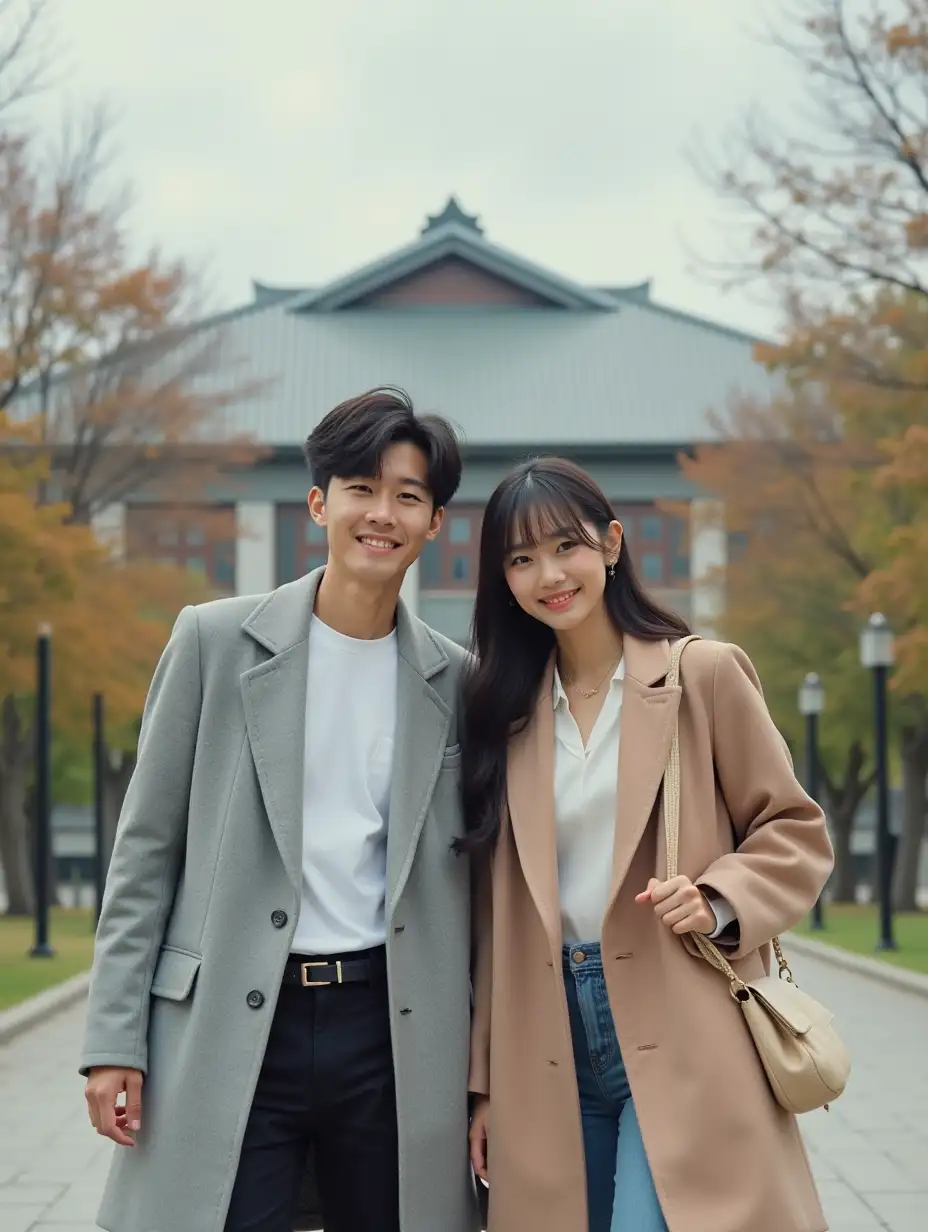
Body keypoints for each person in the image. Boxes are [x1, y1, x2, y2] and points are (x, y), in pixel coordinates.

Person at [81, 387, 482, 1232]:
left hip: (391, 1026)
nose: (383, 514)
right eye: (361, 490)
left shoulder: (458, 680)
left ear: (435, 522)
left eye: (409, 496)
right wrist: (113, 1042)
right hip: (235, 1011)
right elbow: (145, 852)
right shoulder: (213, 642)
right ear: (319, 503)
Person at [462, 457, 834, 1232]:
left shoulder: (701, 676)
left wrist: (720, 896)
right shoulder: (506, 716)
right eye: (521, 559)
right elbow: (493, 916)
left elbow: (794, 829)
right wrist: (485, 1084)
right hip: (547, 1035)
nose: (548, 575)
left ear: (612, 544)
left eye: (565, 546)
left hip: (683, 1016)